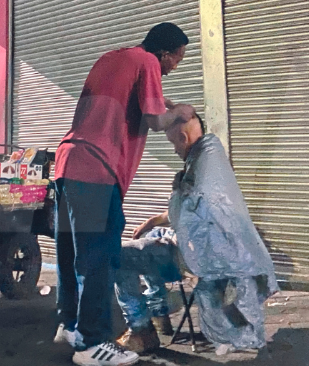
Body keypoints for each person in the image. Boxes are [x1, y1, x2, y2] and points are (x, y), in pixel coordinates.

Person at [53, 23, 196, 366]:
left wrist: (169, 107)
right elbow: (156, 119)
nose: (176, 66)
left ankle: (71, 327)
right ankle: (92, 344)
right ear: (165, 53)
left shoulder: (117, 58)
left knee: (73, 254)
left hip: (68, 163)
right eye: (178, 58)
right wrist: (183, 112)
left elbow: (148, 106)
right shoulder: (147, 62)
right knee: (100, 259)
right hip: (97, 171)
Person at [114, 114, 279, 355]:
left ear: (183, 137)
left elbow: (186, 211)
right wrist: (152, 221)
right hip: (191, 244)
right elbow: (188, 209)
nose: (174, 150)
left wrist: (173, 199)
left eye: (174, 143)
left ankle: (141, 329)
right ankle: (159, 311)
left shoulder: (204, 166)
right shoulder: (209, 165)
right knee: (149, 239)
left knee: (117, 257)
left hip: (193, 256)